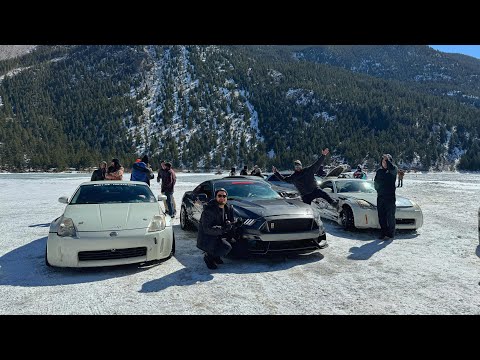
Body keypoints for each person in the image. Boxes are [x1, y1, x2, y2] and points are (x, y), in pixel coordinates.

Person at [272, 148, 339, 208]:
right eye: (296, 166)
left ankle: (334, 204)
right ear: (294, 168)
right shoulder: (294, 176)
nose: (297, 167)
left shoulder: (308, 170)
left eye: (298, 166)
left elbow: (317, 164)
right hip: (305, 195)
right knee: (307, 209)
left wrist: (323, 155)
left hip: (314, 190)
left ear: (301, 166)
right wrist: (276, 173)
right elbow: (284, 179)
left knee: (324, 194)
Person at [196, 188, 235, 269]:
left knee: (235, 242)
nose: (222, 198)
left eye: (224, 196)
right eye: (219, 196)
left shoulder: (228, 208)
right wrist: (224, 228)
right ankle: (208, 257)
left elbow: (230, 222)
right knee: (226, 246)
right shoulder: (209, 210)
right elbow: (207, 229)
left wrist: (235, 224)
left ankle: (216, 256)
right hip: (207, 237)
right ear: (215, 197)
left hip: (219, 234)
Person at [374, 154, 398, 240]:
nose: (384, 163)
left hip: (390, 198)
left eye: (386, 161)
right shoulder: (379, 171)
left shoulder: (393, 169)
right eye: (383, 161)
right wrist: (378, 190)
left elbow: (392, 168)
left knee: (390, 216)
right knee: (381, 216)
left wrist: (388, 161)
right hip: (380, 197)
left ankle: (390, 234)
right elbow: (375, 182)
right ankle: (383, 233)